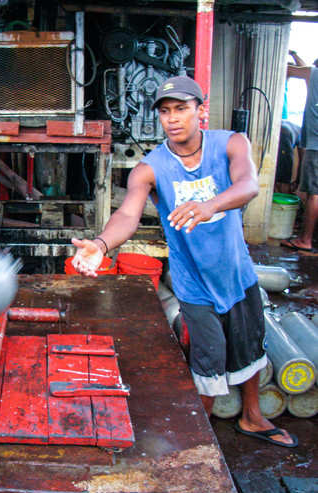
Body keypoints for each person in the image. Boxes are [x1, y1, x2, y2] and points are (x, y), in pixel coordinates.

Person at [70, 76, 297, 448]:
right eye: (165, 111)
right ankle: (201, 438)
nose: (172, 118)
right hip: (195, 284)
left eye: (181, 109)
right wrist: (100, 243)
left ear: (200, 111)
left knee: (250, 347)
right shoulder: (151, 168)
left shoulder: (231, 144)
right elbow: (127, 215)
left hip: (237, 274)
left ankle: (253, 417)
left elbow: (248, 185)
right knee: (208, 360)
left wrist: (209, 206)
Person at [282, 51, 318, 255]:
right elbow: (306, 70)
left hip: (316, 143)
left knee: (314, 193)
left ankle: (305, 239)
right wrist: (295, 54)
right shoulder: (312, 73)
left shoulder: (314, 73)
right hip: (312, 142)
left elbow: (291, 70)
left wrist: (282, 58)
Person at [274, 119, 301, 195]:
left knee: (276, 179)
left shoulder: (296, 128)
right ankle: (281, 202)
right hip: (285, 135)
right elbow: (302, 159)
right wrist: (297, 182)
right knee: (284, 182)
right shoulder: (303, 133)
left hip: (276, 131)